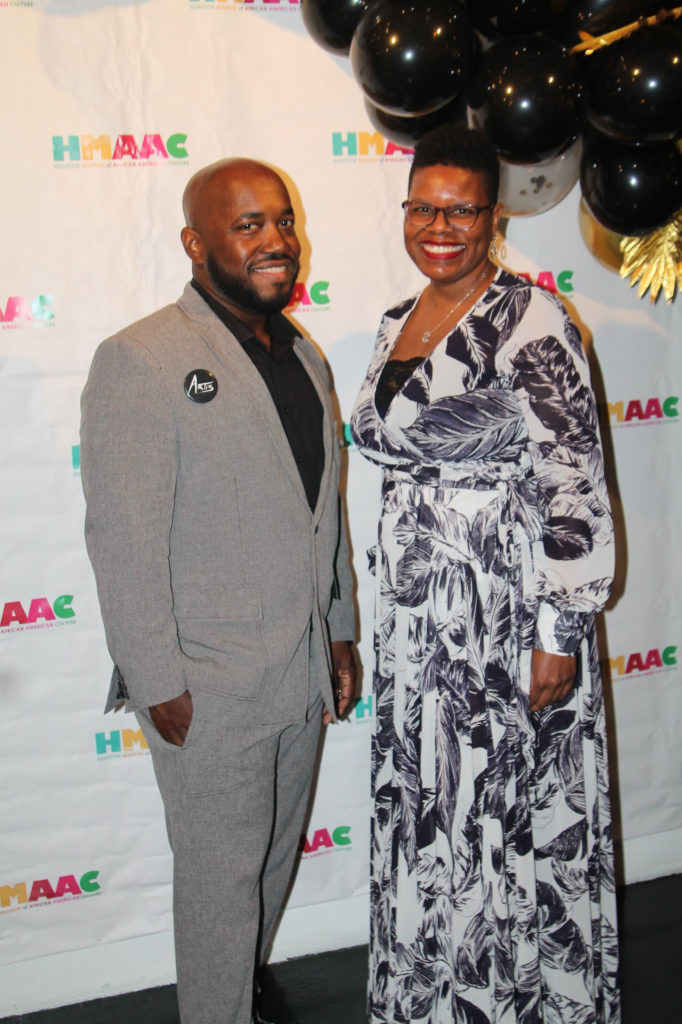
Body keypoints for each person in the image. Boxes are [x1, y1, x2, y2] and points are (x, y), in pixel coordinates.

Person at [351, 126, 620, 1024]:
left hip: (499, 621)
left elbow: (572, 482)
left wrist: (558, 635)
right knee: (428, 807)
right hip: (414, 625)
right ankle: (431, 998)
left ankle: (507, 1003)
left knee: (493, 808)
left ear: (493, 216)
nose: (439, 226)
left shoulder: (532, 319)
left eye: (460, 209)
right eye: (423, 207)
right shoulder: (397, 321)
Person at [80, 157, 356, 1024]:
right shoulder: (140, 358)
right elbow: (122, 538)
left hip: (301, 670)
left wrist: (339, 629)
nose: (276, 240)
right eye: (248, 226)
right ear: (197, 244)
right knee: (217, 888)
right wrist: (157, 677)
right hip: (208, 687)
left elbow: (325, 510)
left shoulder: (303, 351)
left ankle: (240, 998)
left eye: (282, 220)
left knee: (271, 865)